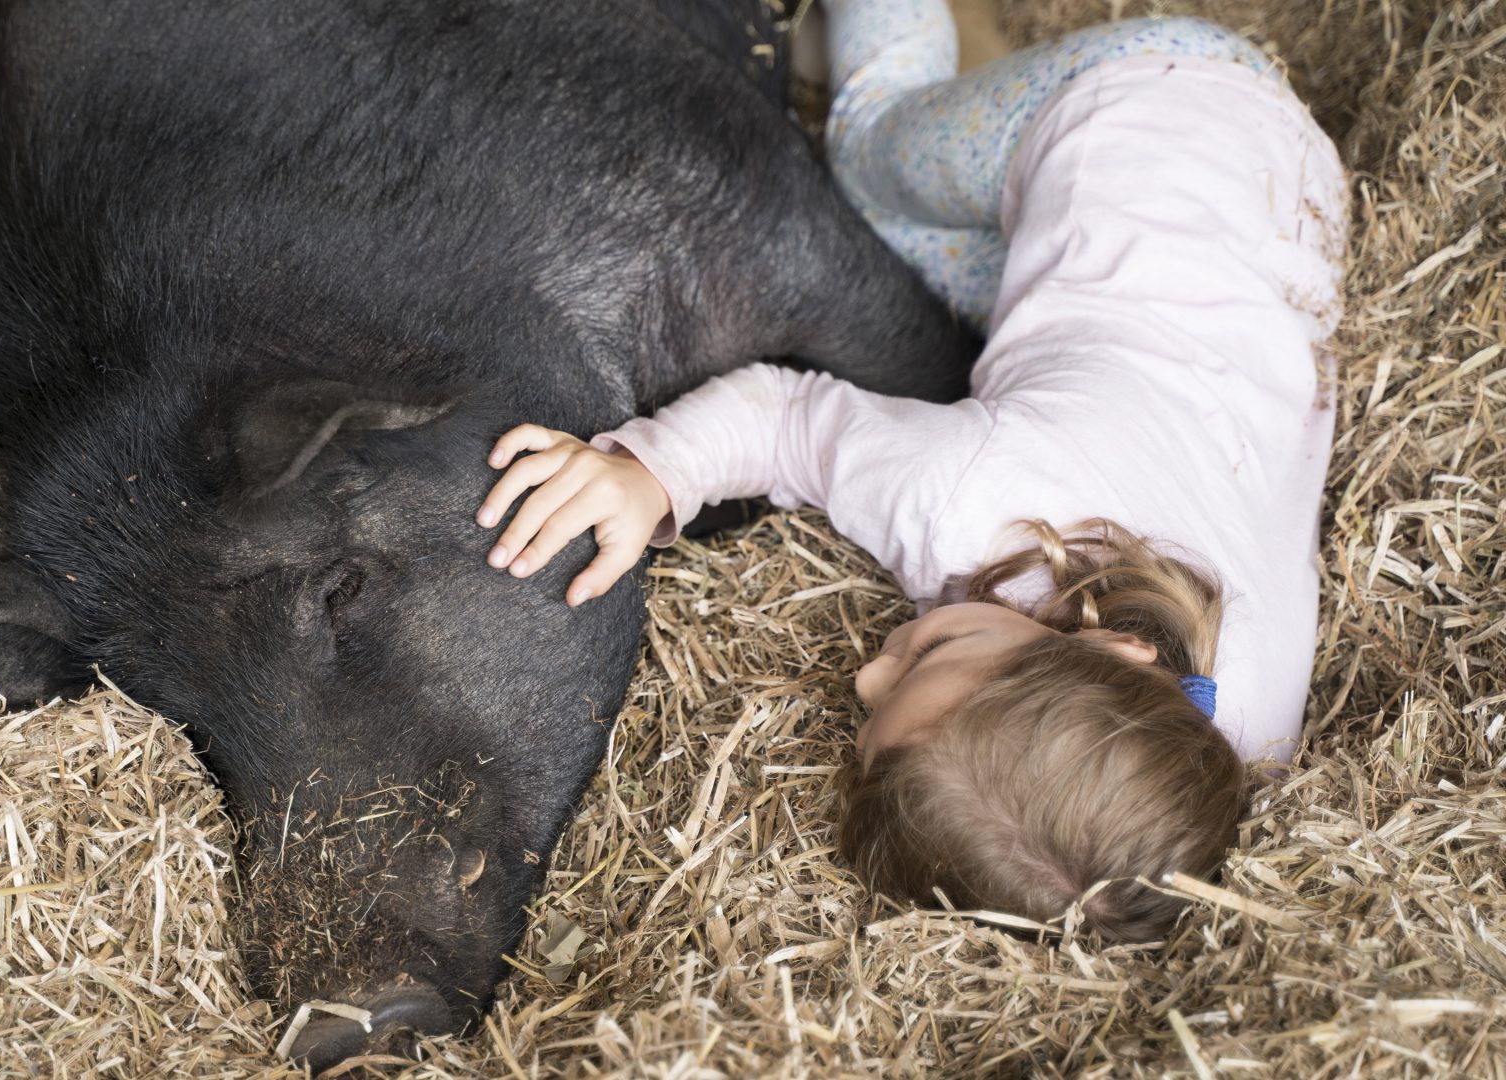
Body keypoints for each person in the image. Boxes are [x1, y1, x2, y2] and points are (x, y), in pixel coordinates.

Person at [470, 0, 1347, 939]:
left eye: (870, 727)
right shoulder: (963, 499)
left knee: (959, 272)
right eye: (925, 654)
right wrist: (650, 474)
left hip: (1291, 203)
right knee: (868, 160)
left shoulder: (1244, 732)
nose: (866, 681)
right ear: (1105, 653)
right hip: (1138, 100)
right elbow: (787, 416)